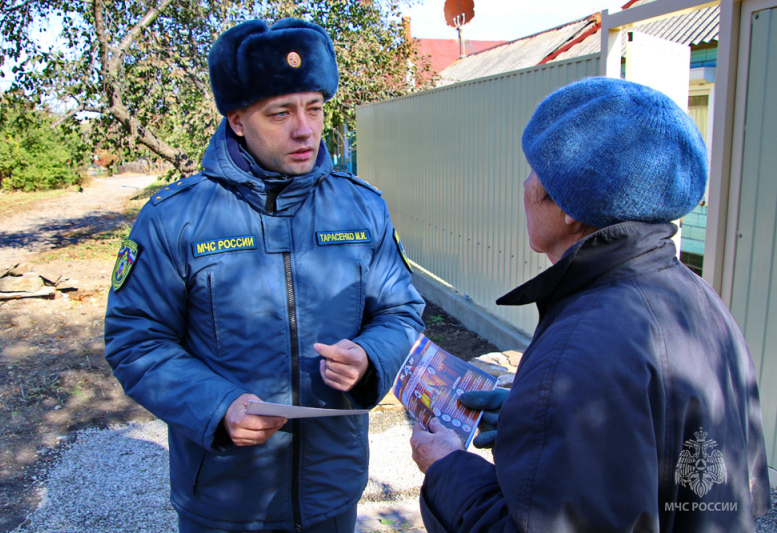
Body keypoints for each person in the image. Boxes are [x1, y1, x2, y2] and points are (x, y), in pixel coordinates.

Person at [104, 18, 425, 532]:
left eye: (315, 108)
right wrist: (220, 406)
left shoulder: (361, 208)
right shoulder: (173, 218)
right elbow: (136, 342)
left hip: (333, 494)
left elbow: (401, 309)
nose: (305, 128)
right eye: (280, 113)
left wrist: (369, 357)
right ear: (237, 119)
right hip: (224, 501)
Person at [409, 77, 770, 532]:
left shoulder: (581, 350)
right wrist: (535, 423)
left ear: (570, 207)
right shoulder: (699, 300)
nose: (524, 184)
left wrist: (446, 469)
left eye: (535, 170)